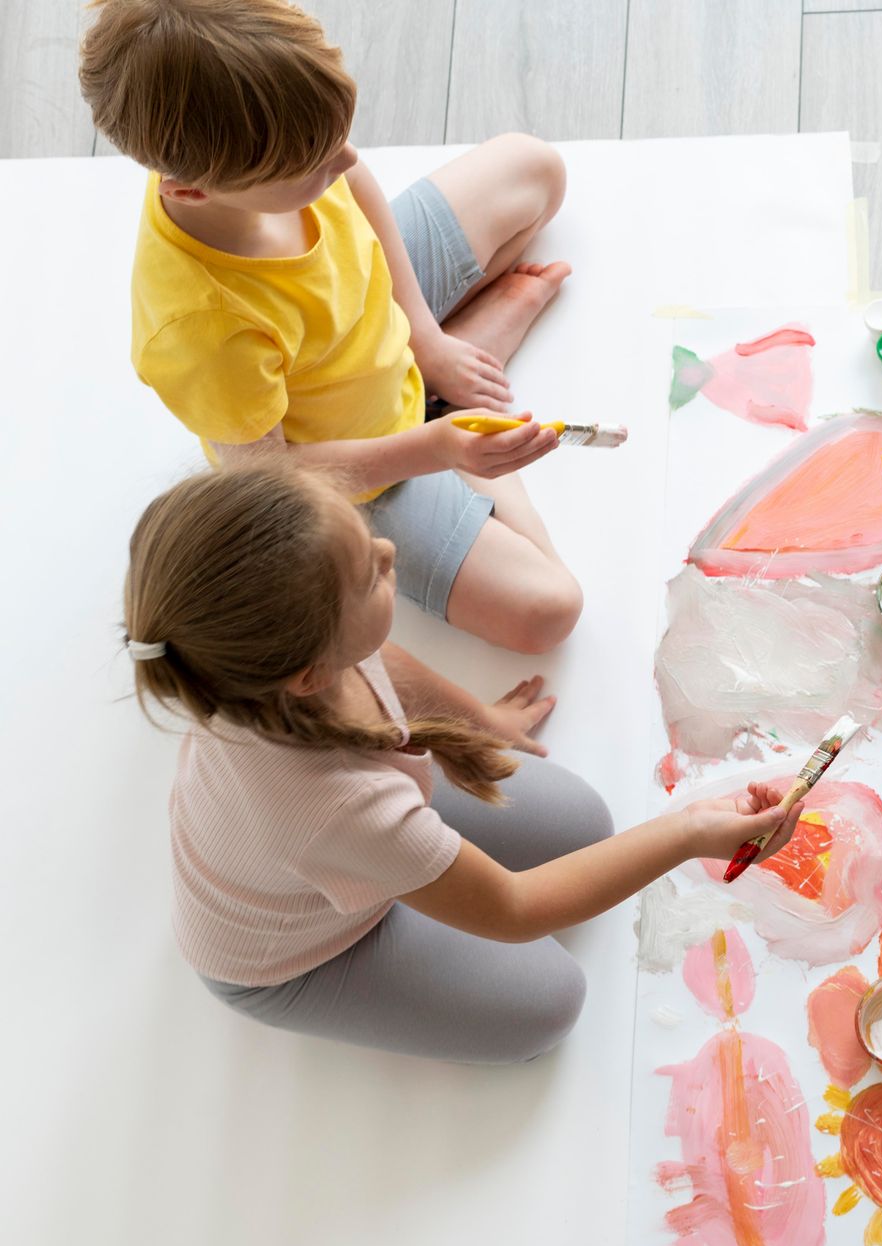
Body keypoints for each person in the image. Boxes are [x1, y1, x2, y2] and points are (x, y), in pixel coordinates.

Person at [122, 463, 802, 1063]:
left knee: (585, 824)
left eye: (367, 539)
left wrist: (482, 721)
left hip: (340, 840)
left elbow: (383, 662)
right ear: (309, 672)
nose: (389, 549)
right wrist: (686, 833)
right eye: (371, 574)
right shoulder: (335, 809)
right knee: (549, 1000)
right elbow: (514, 907)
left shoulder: (270, 674)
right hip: (297, 956)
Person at [81, 0, 583, 652]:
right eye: (315, 166)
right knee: (550, 609)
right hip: (363, 466)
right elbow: (272, 475)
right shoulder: (203, 331)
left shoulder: (290, 149)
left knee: (536, 167)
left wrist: (425, 337)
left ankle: (448, 361)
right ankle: (457, 399)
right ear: (190, 192)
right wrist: (441, 446)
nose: (344, 162)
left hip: (386, 305)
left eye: (337, 136)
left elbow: (357, 183)